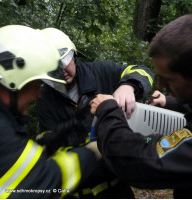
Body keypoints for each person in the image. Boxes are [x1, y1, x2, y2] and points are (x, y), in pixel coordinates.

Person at [89, 14, 192, 198]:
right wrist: (169, 102)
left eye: (167, 79)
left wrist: (107, 111)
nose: (159, 86)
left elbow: (142, 162)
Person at [0, 25, 103, 199]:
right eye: (36, 86)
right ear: (14, 82)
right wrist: (91, 154)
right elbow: (39, 185)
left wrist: (48, 141)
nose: (38, 94)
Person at [35, 28, 154, 198]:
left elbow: (143, 71)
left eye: (64, 62)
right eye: (53, 68)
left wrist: (129, 85)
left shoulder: (100, 71)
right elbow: (54, 142)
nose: (62, 71)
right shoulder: (45, 98)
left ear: (73, 55)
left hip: (116, 188)